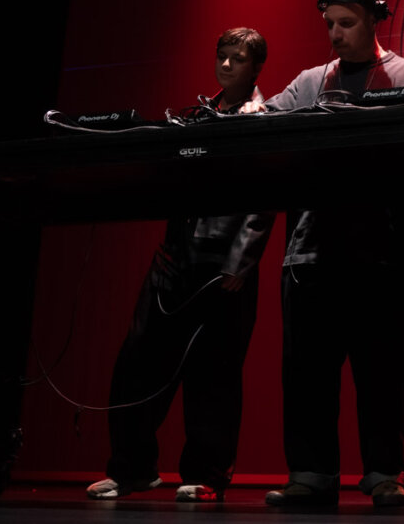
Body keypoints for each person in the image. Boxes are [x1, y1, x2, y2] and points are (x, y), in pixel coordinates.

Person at [246, 0, 404, 509]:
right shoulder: (310, 81)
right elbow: (261, 123)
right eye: (329, 24)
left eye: (346, 23)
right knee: (307, 374)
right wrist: (246, 110)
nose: (335, 34)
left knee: (381, 372)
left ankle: (384, 472)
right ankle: (311, 474)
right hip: (312, 254)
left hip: (381, 253)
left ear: (375, 18)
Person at [86, 27, 273, 503]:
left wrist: (240, 262)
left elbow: (264, 197)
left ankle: (207, 474)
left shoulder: (265, 118)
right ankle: (131, 468)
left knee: (214, 374)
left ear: (256, 67)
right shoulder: (196, 115)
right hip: (175, 259)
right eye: (222, 56)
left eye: (237, 58)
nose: (226, 65)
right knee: (137, 363)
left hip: (224, 266)